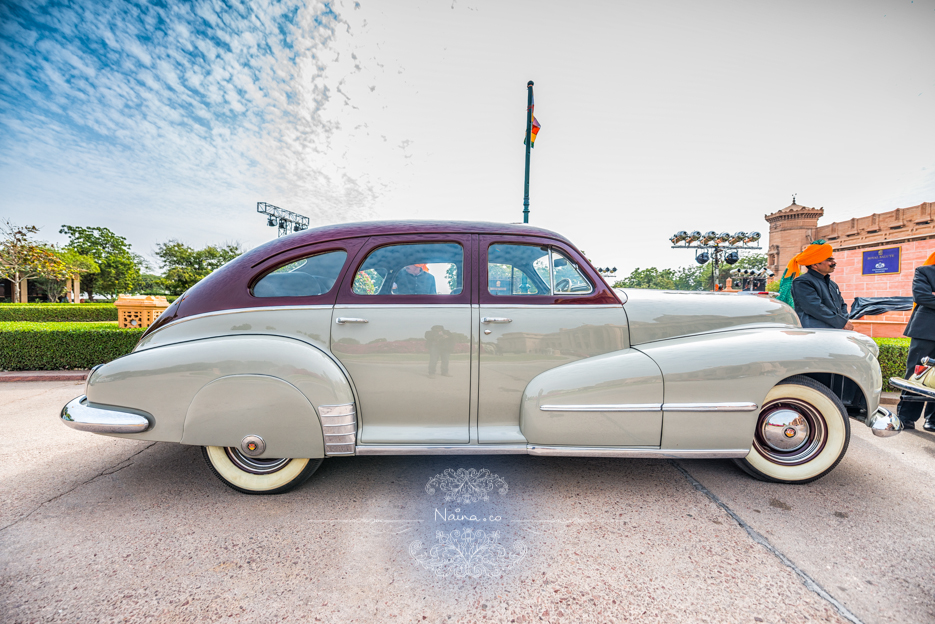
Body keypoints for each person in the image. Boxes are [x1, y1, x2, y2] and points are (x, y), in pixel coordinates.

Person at [777, 239, 854, 330]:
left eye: (833, 259)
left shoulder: (832, 284)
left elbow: (842, 305)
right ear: (815, 265)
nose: (834, 263)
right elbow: (814, 307)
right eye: (829, 260)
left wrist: (844, 322)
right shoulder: (802, 282)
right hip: (815, 331)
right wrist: (841, 323)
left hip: (835, 330)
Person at [898, 251, 935, 431]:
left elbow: (931, 298)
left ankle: (932, 420)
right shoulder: (924, 271)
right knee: (916, 374)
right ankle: (906, 417)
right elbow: (922, 297)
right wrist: (931, 296)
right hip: (926, 332)